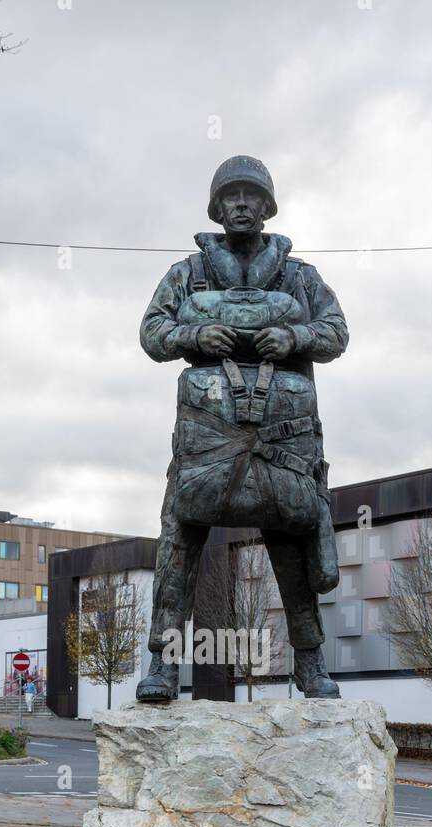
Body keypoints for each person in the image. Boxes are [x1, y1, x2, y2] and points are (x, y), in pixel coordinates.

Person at [136, 155, 349, 701]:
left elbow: (336, 332)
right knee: (178, 540)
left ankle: (310, 664)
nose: (241, 205)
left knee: (296, 544)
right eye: (231, 196)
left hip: (285, 438)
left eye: (251, 196)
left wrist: (297, 340)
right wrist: (196, 336)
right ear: (216, 206)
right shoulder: (188, 274)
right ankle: (162, 664)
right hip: (206, 438)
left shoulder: (301, 278)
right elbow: (152, 330)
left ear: (267, 207)